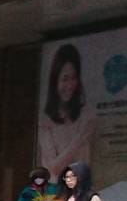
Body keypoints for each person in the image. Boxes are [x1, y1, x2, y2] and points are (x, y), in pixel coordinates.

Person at [39, 43, 93, 177]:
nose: (69, 85)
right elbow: (54, 167)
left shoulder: (87, 114)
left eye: (74, 78)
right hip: (55, 192)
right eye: (65, 79)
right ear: (55, 81)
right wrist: (80, 137)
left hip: (81, 190)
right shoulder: (45, 121)